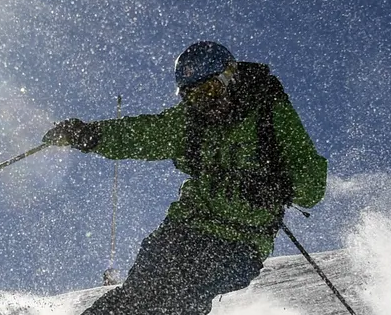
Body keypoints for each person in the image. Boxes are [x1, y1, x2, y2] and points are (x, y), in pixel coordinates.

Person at [43, 41, 328, 315]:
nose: (206, 104)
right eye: (194, 97)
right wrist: (89, 135)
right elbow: (145, 134)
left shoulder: (268, 114)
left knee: (179, 297)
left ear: (230, 78)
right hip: (184, 228)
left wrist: (279, 187)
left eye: (211, 90)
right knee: (137, 297)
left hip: (241, 243)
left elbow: (312, 183)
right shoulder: (190, 122)